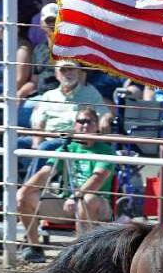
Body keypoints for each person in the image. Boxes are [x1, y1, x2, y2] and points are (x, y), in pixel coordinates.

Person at [16, 106, 115, 263]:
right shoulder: (67, 148)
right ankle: (34, 247)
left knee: (87, 199)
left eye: (89, 122)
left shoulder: (106, 151)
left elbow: (97, 179)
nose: (84, 125)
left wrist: (76, 196)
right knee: (26, 197)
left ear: (96, 126)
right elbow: (47, 172)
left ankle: (83, 254)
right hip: (68, 203)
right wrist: (23, 190)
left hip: (97, 204)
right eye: (80, 121)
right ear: (75, 125)